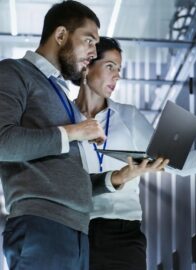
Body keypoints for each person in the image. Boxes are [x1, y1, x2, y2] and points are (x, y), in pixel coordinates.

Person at [74, 37, 196, 270]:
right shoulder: (63, 117)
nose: (117, 75)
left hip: (122, 236)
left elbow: (182, 165)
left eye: (119, 69)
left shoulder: (129, 117)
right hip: (74, 231)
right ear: (87, 65)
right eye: (110, 66)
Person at [0, 2, 142, 270]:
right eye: (88, 41)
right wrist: (75, 131)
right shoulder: (13, 72)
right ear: (61, 35)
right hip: (41, 227)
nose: (92, 53)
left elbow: (64, 176)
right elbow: (2, 141)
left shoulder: (59, 95)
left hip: (75, 232)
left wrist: (115, 179)